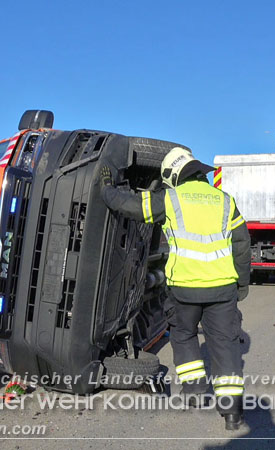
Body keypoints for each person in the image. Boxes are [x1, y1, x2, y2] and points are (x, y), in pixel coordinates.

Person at [99, 147, 251, 431]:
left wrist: (106, 190)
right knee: (226, 344)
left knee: (183, 335)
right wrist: (242, 283)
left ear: (173, 175)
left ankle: (194, 394)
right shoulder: (225, 201)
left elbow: (131, 207)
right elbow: (241, 244)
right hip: (222, 290)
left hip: (185, 289)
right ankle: (232, 413)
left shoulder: (171, 199)